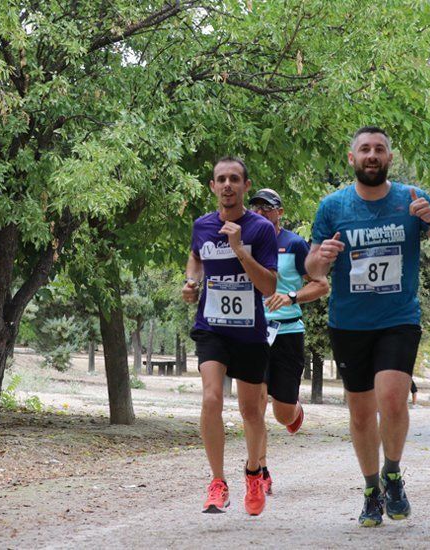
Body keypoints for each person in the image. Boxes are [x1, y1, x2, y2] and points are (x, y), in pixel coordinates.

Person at [305, 126, 430, 526]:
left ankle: (393, 474)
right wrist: (321, 256)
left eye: (379, 149)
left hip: (398, 319)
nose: (371, 155)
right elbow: (311, 267)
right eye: (364, 149)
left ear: (389, 158)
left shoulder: (411, 199)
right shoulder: (332, 206)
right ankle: (372, 489)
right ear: (351, 157)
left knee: (392, 400)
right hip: (349, 323)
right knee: (360, 415)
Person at [183, 157, 279, 515]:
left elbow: (269, 285)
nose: (227, 185)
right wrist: (191, 282)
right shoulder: (202, 226)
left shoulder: (260, 230)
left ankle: (253, 472)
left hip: (250, 332)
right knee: (211, 398)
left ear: (245, 186)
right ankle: (217, 482)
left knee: (251, 411)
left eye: (234, 179)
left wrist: (239, 250)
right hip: (212, 327)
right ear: (212, 186)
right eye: (221, 179)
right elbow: (196, 258)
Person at [248, 187, 330, 495]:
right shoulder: (246, 244)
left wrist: (291, 295)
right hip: (253, 334)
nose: (260, 212)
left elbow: (322, 285)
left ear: (280, 212)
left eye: (267, 207)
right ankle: (259, 469)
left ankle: (294, 410)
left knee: (281, 414)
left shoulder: (294, 244)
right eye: (255, 207)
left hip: (287, 333)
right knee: (254, 407)